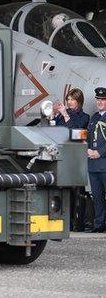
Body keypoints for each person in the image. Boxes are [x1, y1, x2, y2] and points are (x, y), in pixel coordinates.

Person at [52, 88, 90, 231]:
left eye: (72, 99)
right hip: (60, 156)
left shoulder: (83, 117)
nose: (69, 102)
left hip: (74, 159)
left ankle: (74, 222)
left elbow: (75, 131)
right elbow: (53, 131)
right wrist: (52, 116)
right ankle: (61, 220)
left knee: (74, 192)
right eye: (68, 99)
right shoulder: (61, 116)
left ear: (79, 101)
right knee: (60, 190)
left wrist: (65, 114)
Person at [86, 88, 106, 233]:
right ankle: (99, 224)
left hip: (104, 163)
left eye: (103, 100)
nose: (100, 102)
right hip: (93, 165)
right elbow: (88, 137)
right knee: (97, 197)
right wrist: (87, 150)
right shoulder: (94, 117)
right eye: (98, 99)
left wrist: (100, 152)